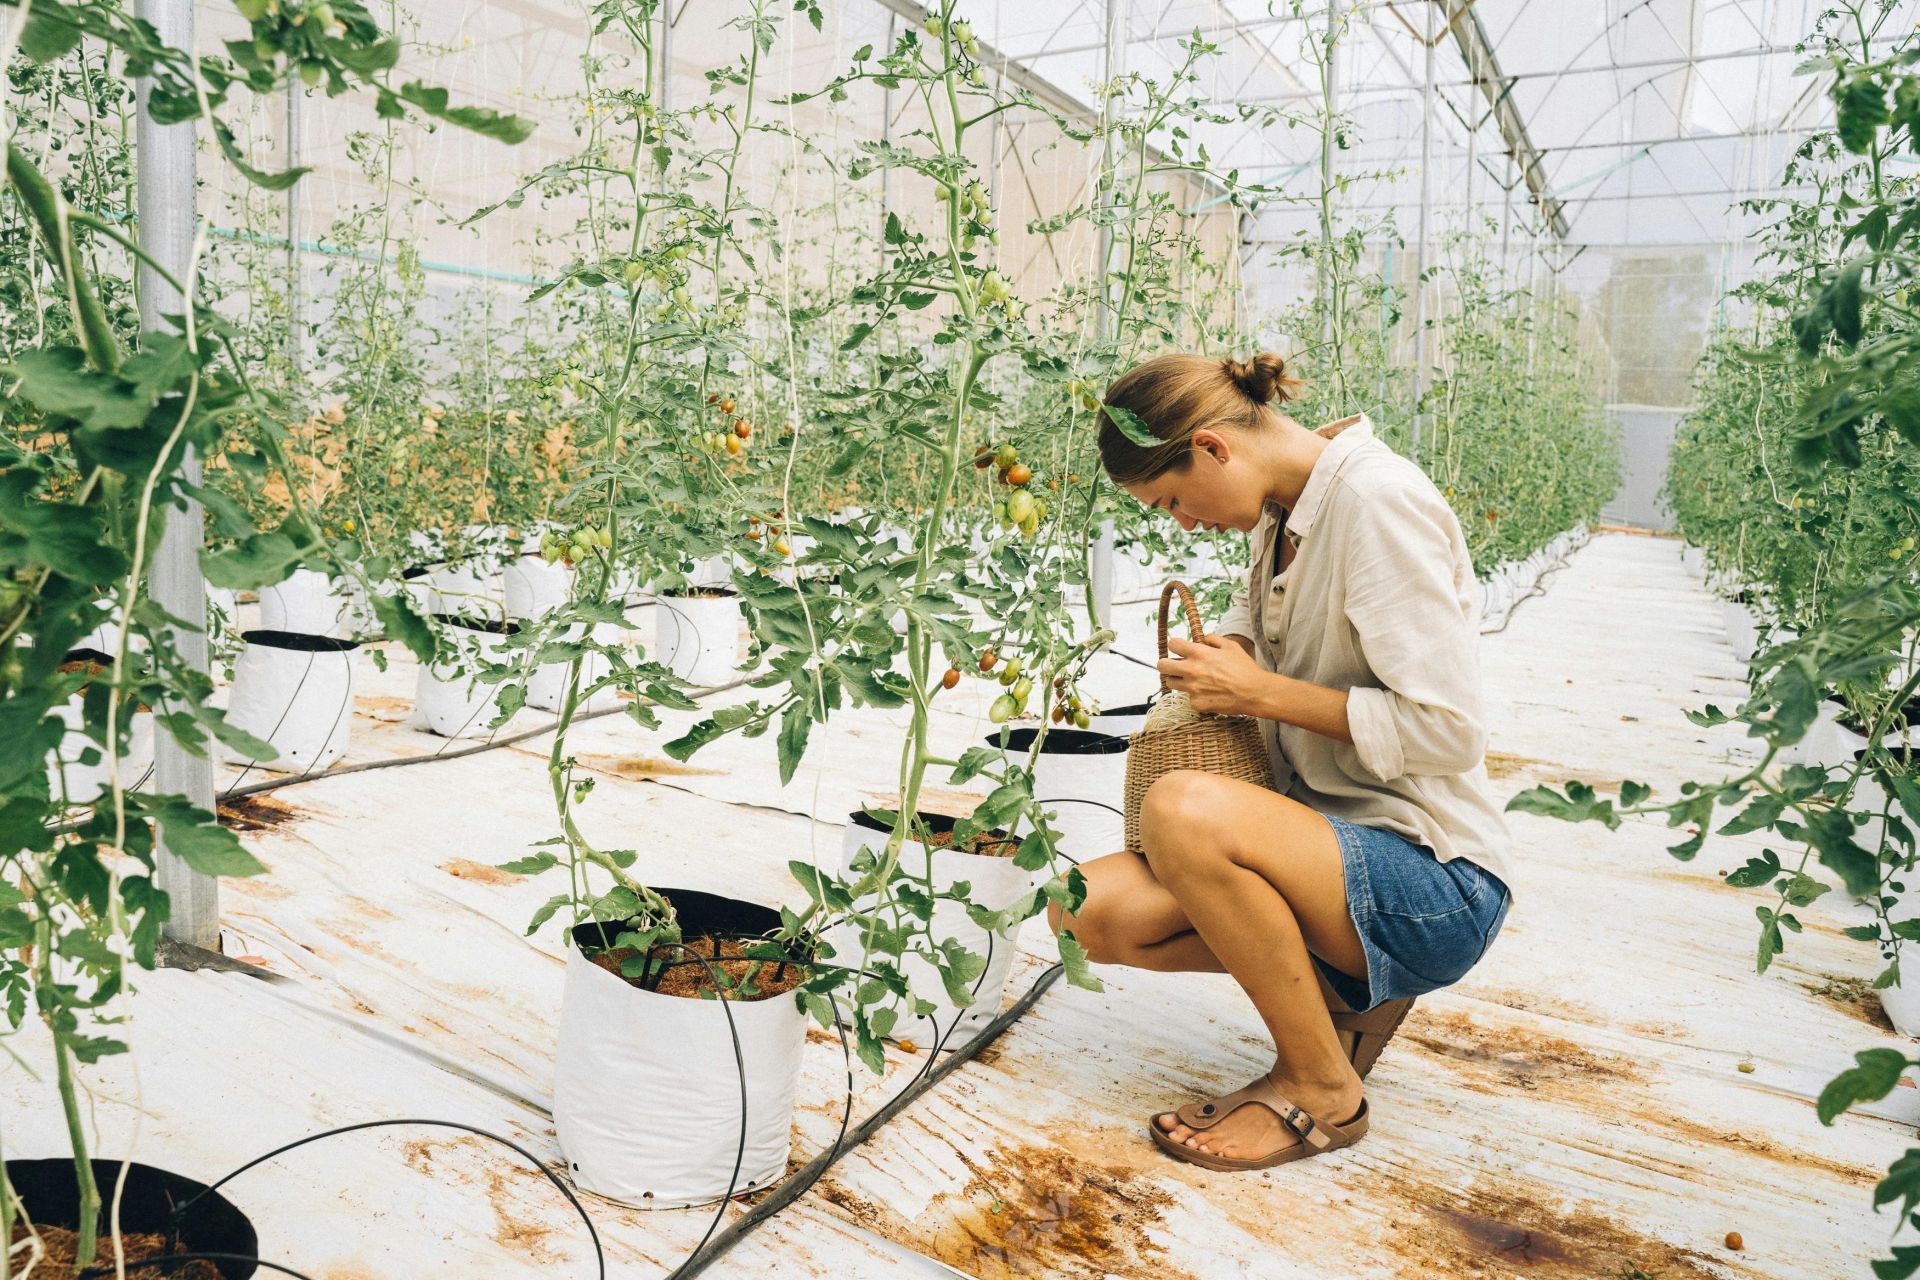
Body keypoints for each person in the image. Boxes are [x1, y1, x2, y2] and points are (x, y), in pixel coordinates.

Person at [1049, 351, 1513, 1172]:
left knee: (1183, 809)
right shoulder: (1286, 511)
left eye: (1174, 501)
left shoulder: (1378, 503)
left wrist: (1258, 693)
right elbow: (1254, 616)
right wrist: (1224, 648)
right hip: (1326, 846)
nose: (1183, 524)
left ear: (1213, 448)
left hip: (1434, 881)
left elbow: (1452, 733)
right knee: (1083, 913)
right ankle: (1344, 994)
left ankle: (1322, 1085)